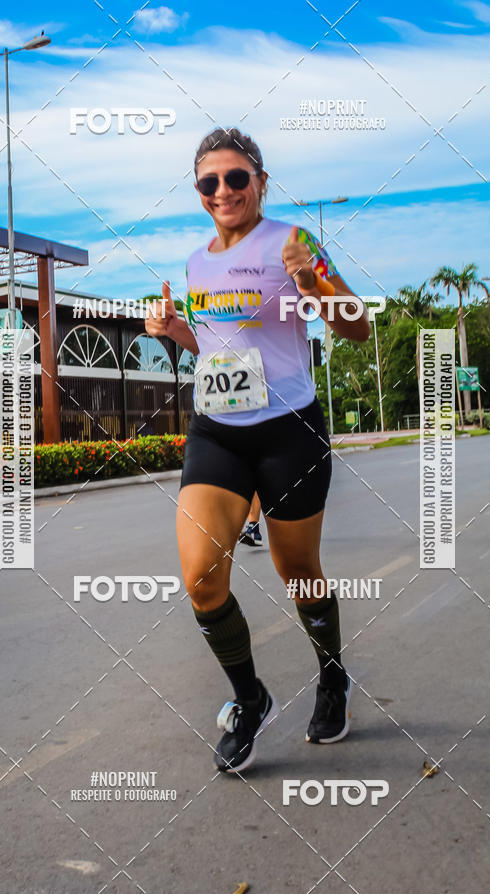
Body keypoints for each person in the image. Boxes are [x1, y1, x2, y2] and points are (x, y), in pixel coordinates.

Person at [146, 127, 369, 774]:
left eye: (236, 178)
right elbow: (216, 348)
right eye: (209, 182)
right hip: (217, 430)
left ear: (260, 183)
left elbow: (356, 327)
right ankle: (250, 699)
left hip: (288, 431)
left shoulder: (293, 242)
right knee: (200, 576)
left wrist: (316, 282)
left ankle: (332, 677)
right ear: (199, 191)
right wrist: (175, 329)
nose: (223, 190)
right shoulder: (197, 262)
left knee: (297, 571)